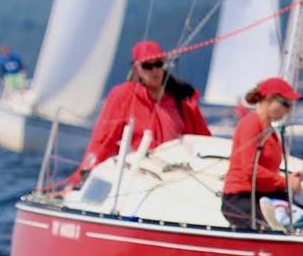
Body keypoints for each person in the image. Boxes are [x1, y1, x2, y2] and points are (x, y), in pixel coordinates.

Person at [72, 40, 211, 184]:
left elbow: (204, 139)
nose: (154, 70)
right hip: (141, 173)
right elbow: (103, 140)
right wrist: (85, 172)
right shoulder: (123, 96)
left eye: (159, 64)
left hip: (178, 174)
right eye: (147, 66)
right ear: (137, 67)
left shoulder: (182, 97)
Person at [221, 77, 303, 229]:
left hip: (264, 196)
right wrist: (285, 182)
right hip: (241, 198)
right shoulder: (251, 123)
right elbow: (249, 169)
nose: (288, 110)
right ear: (269, 99)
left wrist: (289, 180)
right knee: (284, 223)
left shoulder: (270, 131)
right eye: (285, 104)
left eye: (290, 105)